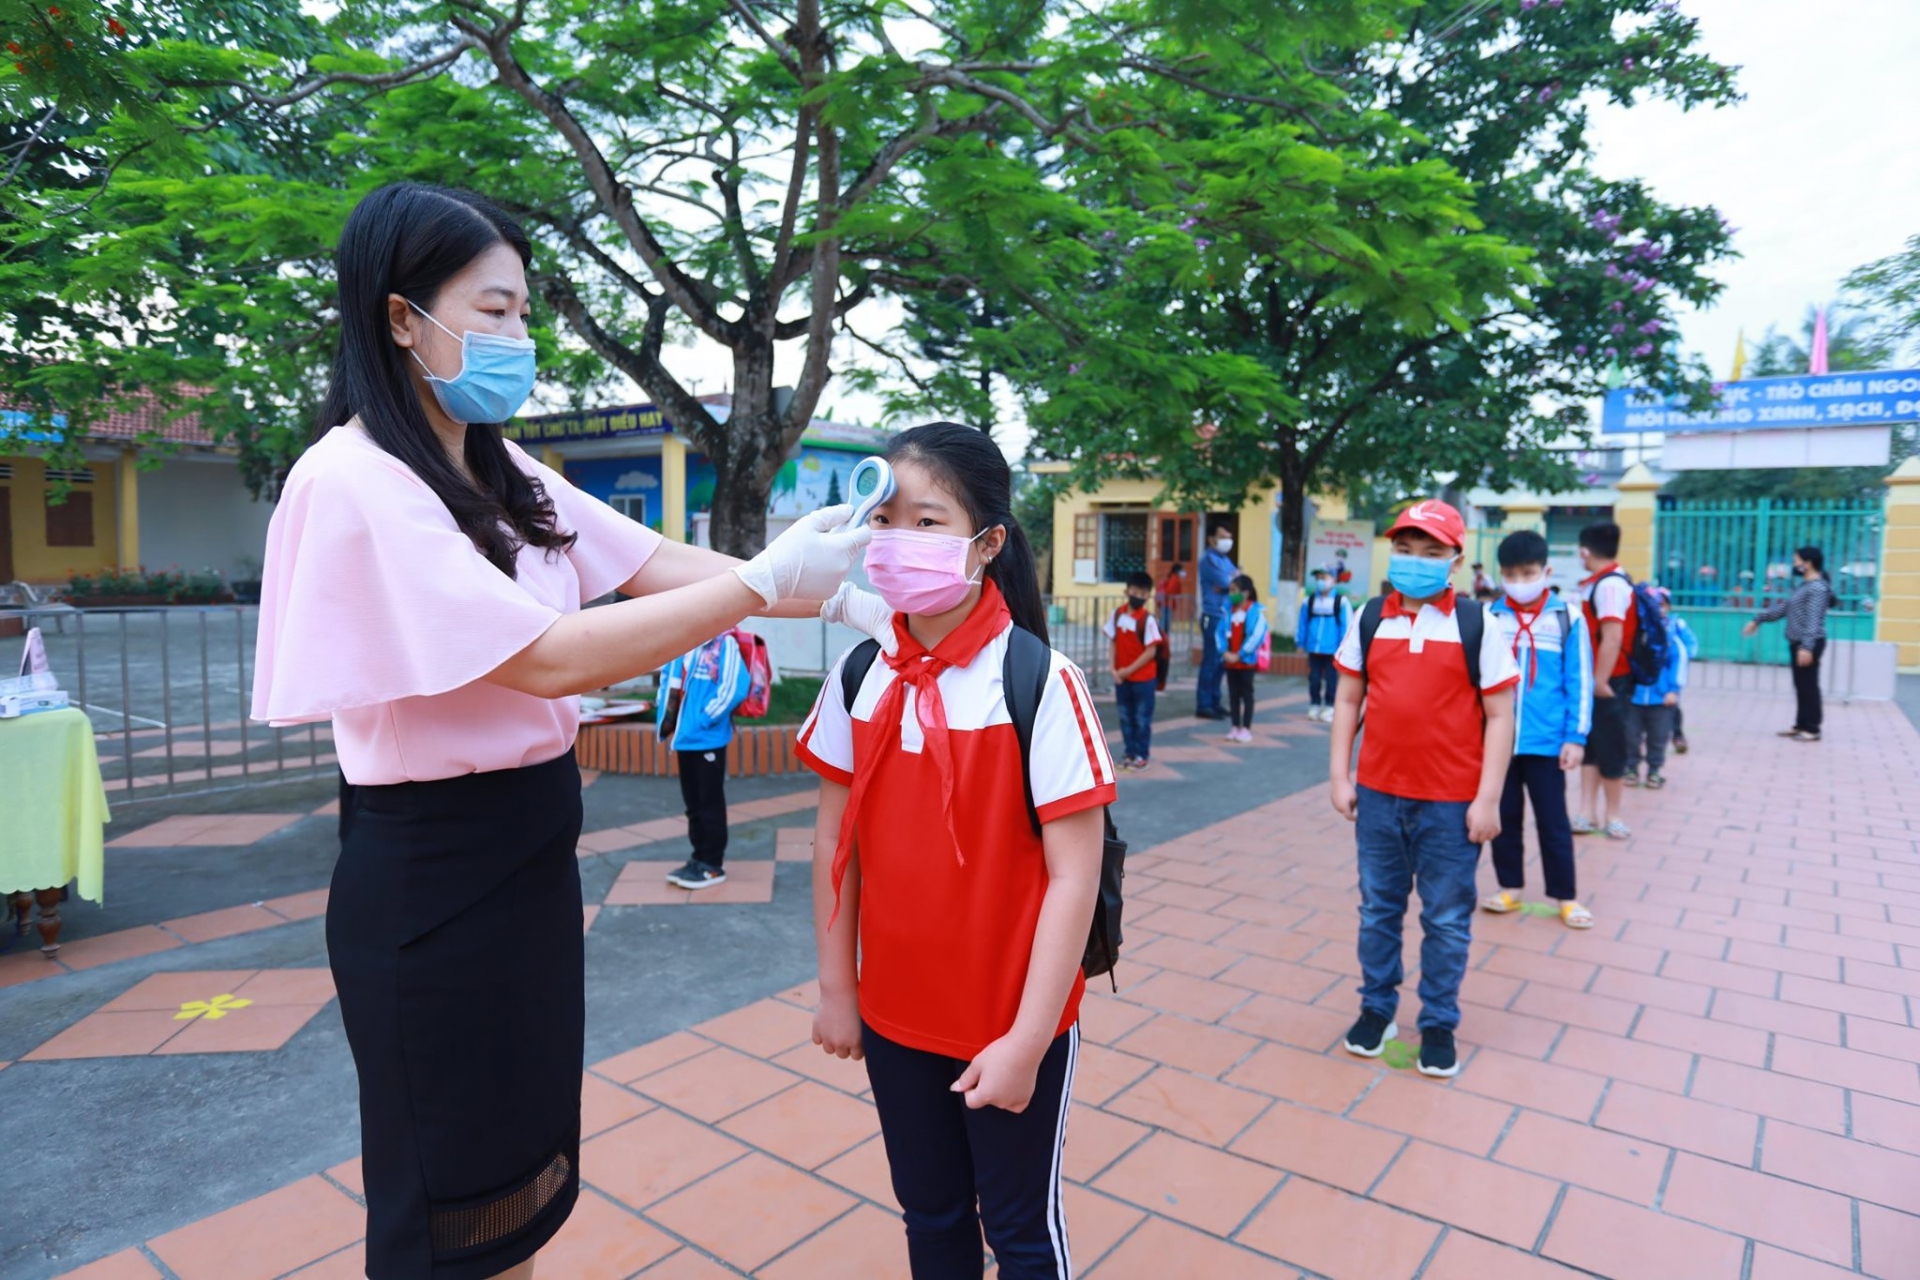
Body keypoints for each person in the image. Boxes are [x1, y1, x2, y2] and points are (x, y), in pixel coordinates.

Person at [250, 183, 876, 1280]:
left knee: (520, 1169)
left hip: (530, 852)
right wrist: (762, 585)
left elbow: (648, 560)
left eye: (523, 314)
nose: (517, 339)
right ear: (401, 317)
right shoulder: (355, 478)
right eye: (492, 311)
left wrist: (820, 587)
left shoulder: (493, 463)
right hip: (434, 871)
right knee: (450, 1198)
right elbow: (544, 654)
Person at [799, 422, 1113, 1280]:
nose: (899, 539)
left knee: (1020, 1234)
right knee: (930, 1217)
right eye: (886, 519)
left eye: (928, 521)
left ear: (989, 543)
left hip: (1007, 1023)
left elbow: (1074, 875)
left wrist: (1026, 1041)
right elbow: (832, 841)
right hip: (894, 1019)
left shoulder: (1041, 682)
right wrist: (838, 990)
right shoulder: (862, 675)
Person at [1328, 499, 1518, 1078]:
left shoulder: (1478, 624)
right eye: (1405, 549)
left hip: (1452, 806)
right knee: (1378, 910)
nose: (1415, 560)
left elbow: (1501, 715)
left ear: (1454, 560)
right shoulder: (1369, 618)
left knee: (1446, 918)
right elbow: (1348, 700)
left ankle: (1438, 1021)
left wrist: (1488, 798)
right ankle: (1376, 1008)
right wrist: (1340, 775)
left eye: (1431, 552)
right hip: (1378, 797)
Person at [1484, 531, 1595, 930]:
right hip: (1499, 743)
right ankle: (1510, 886)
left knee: (1553, 822)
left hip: (1547, 743)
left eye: (1528, 573)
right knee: (1504, 816)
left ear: (1546, 572)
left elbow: (1580, 683)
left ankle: (1566, 896)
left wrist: (1575, 738)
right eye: (1511, 574)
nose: (1519, 581)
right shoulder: (1491, 617)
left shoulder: (1568, 619)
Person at [658, 631, 750, 888]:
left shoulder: (724, 643)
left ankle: (712, 865)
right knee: (694, 804)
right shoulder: (682, 642)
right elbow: (668, 681)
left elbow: (735, 687)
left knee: (709, 803)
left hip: (707, 739)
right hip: (685, 738)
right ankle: (698, 859)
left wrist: (703, 719)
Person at [1574, 521, 1637, 840]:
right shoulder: (1599, 582)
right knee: (1591, 747)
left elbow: (1612, 637)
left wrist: (1600, 681)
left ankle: (1613, 814)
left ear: (1585, 551)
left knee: (1611, 748)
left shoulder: (1610, 585)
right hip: (1597, 680)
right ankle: (1587, 811)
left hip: (1611, 681)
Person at [1744, 544, 1833, 743]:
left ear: (1808, 563)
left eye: (1796, 561)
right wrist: (1758, 620)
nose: (1794, 565)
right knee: (1801, 685)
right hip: (1797, 642)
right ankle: (1801, 725)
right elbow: (1784, 608)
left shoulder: (1817, 588)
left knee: (1809, 685)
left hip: (1808, 643)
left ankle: (1812, 728)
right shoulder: (1804, 586)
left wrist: (1807, 647)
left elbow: (1813, 619)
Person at [1627, 589, 1689, 789]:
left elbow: (1679, 659)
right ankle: (1631, 768)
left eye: (1660, 605)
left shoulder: (1668, 633)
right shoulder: (1634, 630)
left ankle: (1654, 770)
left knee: (1658, 736)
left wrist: (1674, 689)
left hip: (1660, 698)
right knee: (1630, 735)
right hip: (1634, 696)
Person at [1105, 571, 1164, 769]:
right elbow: (1113, 642)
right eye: (1135, 592)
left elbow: (1151, 651)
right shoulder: (1117, 615)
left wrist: (1127, 670)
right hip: (1122, 678)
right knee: (1125, 716)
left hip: (1143, 679)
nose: (1138, 596)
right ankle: (1129, 752)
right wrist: (1113, 668)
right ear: (1127, 591)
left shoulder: (1148, 620)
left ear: (1148, 596)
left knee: (1141, 718)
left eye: (1143, 594)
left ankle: (1141, 754)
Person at [1216, 573, 1269, 743]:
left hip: (1246, 663)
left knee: (1247, 695)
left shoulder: (1255, 613)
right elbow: (1219, 633)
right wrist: (1224, 652)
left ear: (1246, 592)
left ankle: (1246, 728)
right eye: (1230, 591)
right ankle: (1234, 726)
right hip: (1230, 663)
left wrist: (1240, 654)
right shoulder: (1227, 612)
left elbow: (1256, 636)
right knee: (1233, 695)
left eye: (1234, 590)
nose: (1231, 594)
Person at [1296, 566, 1352, 722]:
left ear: (1333, 581)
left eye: (1324, 578)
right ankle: (1314, 704)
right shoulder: (1309, 601)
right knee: (1314, 678)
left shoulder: (1341, 602)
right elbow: (1302, 623)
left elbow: (1346, 626)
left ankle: (1329, 706)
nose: (1320, 581)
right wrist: (1300, 643)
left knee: (1331, 678)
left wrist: (1343, 647)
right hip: (1313, 648)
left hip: (1332, 649)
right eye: (1318, 578)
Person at [1195, 526, 1238, 719]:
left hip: (1225, 615)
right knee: (1211, 661)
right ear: (1211, 539)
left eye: (1229, 537)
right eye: (1223, 537)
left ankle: (1215, 701)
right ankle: (1204, 704)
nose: (1227, 541)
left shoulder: (1225, 560)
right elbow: (1228, 582)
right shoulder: (1209, 559)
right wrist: (1231, 582)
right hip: (1212, 615)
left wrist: (1232, 582)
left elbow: (1238, 581)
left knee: (1221, 662)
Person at [1669, 605, 1700, 754]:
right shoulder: (1643, 621)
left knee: (1672, 705)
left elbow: (1691, 643)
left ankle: (1677, 736)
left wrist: (1682, 656)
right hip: (1648, 674)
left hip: (1670, 673)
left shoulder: (1676, 624)